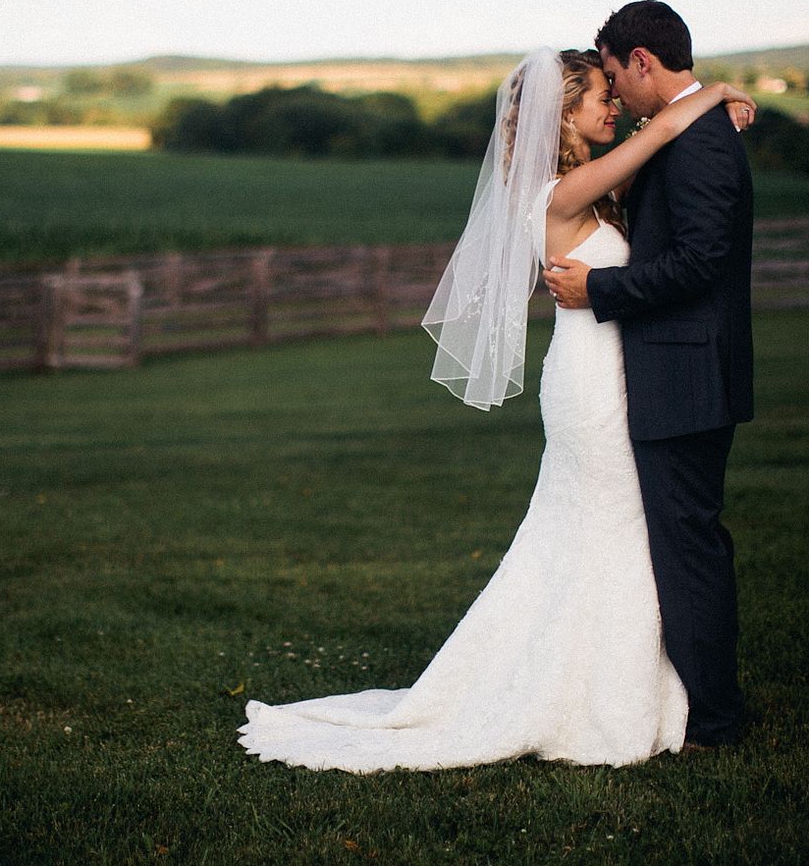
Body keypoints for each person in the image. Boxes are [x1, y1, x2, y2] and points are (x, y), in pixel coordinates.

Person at [237, 46, 755, 773]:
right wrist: (718, 92)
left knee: (614, 528)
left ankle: (627, 681)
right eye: (600, 98)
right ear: (562, 116)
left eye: (613, 94)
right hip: (592, 384)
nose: (613, 108)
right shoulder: (554, 195)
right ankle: (591, 693)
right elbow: (661, 135)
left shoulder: (585, 186)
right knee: (610, 521)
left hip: (616, 372)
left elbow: (659, 158)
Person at [542, 0, 755, 748]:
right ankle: (675, 697)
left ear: (640, 61)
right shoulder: (684, 132)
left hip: (684, 378)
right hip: (663, 375)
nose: (614, 95)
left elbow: (700, 262)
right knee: (673, 542)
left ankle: (714, 720)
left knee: (686, 547)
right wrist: (715, 97)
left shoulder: (697, 141)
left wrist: (598, 289)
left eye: (612, 76)